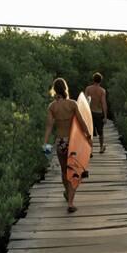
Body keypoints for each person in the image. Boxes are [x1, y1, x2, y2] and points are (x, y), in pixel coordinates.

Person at [44, 78, 92, 213]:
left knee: (64, 170)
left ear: (55, 89)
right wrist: (88, 136)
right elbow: (82, 122)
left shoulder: (52, 107)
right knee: (74, 171)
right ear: (65, 88)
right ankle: (70, 203)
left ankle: (67, 192)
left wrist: (46, 144)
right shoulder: (72, 104)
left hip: (60, 142)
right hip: (72, 142)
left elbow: (48, 127)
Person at [85, 72, 108, 153]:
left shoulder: (88, 89)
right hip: (98, 113)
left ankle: (90, 150)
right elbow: (103, 103)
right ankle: (101, 147)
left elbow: (85, 102)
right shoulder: (102, 91)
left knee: (89, 132)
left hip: (90, 113)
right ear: (100, 81)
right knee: (100, 132)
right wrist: (105, 116)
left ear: (93, 80)